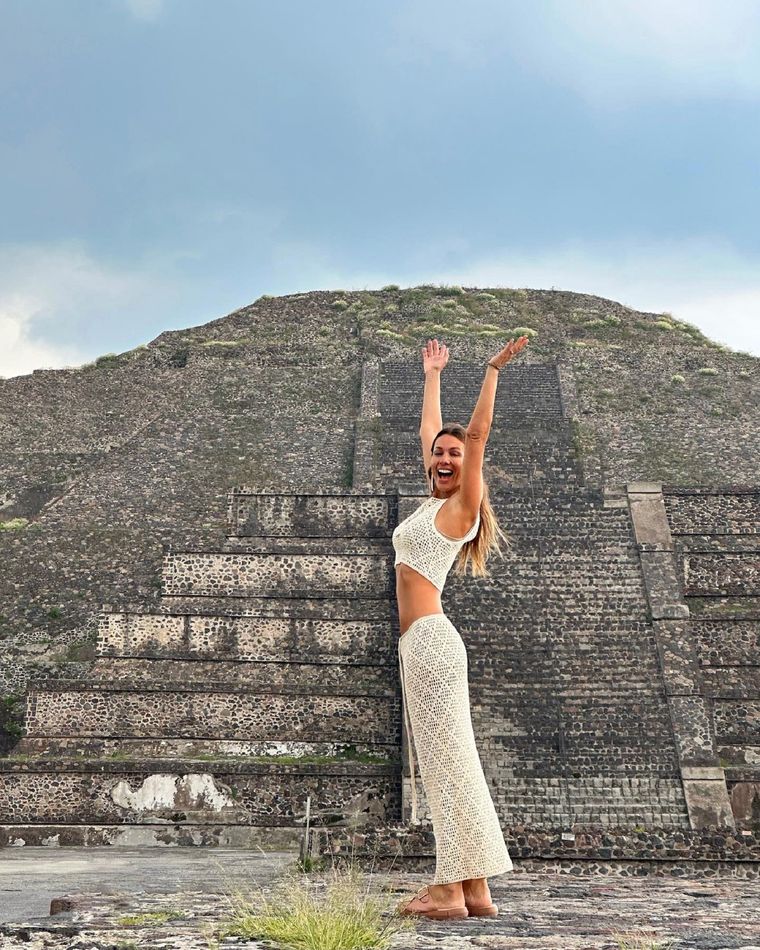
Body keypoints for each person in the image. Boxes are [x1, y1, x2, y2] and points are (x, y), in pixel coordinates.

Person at [394, 334, 530, 921]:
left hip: (429, 644)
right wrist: (432, 376)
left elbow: (473, 438)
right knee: (452, 759)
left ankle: (448, 891)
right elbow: (432, 431)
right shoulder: (431, 503)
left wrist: (492, 371)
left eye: (454, 456)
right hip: (422, 646)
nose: (446, 459)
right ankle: (476, 891)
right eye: (439, 455)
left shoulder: (461, 508)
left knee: (445, 763)